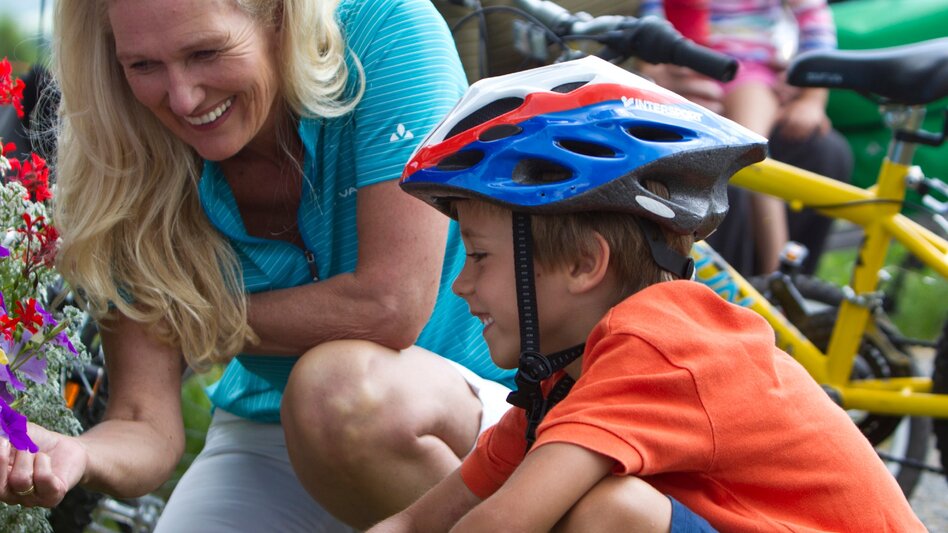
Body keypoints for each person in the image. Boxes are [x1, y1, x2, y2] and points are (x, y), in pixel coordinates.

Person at [0, 0, 515, 530]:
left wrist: (183, 319)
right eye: (143, 66)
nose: (181, 98)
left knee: (334, 392)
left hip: (484, 411)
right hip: (269, 428)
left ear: (279, 19)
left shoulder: (387, 32)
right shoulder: (124, 159)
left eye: (206, 52)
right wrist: (75, 453)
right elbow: (140, 420)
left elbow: (388, 306)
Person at [368, 57, 925, 531]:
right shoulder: (563, 381)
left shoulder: (659, 346)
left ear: (585, 264)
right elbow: (420, 522)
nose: (461, 283)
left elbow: (503, 522)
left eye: (480, 255)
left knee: (611, 513)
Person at [640, 0, 844, 275]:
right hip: (692, 74)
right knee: (734, 162)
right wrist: (657, 70)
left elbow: (814, 21)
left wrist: (812, 97)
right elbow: (649, 27)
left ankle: (780, 274)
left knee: (752, 156)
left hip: (749, 73)